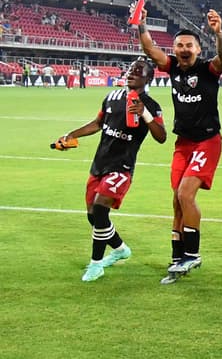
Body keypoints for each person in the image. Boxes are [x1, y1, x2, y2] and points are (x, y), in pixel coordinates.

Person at [53, 59, 166, 282]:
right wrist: (71, 135)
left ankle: (96, 264)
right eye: (131, 70)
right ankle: (121, 249)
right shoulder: (112, 97)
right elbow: (97, 123)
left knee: (101, 209)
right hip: (100, 163)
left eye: (138, 71)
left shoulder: (151, 105)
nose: (132, 73)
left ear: (148, 79)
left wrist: (144, 114)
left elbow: (161, 136)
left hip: (121, 167)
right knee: (93, 217)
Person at [139, 9, 222, 284]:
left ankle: (193, 253)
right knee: (176, 201)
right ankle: (177, 258)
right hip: (183, 144)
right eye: (179, 45)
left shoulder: (207, 69)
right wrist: (141, 22)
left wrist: (218, 33)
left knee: (186, 194)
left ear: (198, 49)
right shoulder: (172, 67)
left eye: (189, 45)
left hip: (208, 142)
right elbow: (149, 47)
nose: (184, 49)